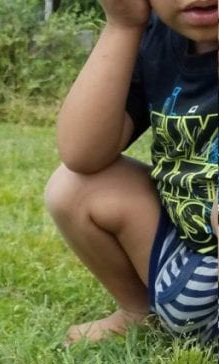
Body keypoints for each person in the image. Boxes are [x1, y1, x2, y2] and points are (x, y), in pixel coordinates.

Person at [44, 0, 218, 344]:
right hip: (181, 267)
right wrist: (123, 25)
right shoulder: (156, 40)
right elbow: (82, 152)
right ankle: (140, 311)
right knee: (74, 188)